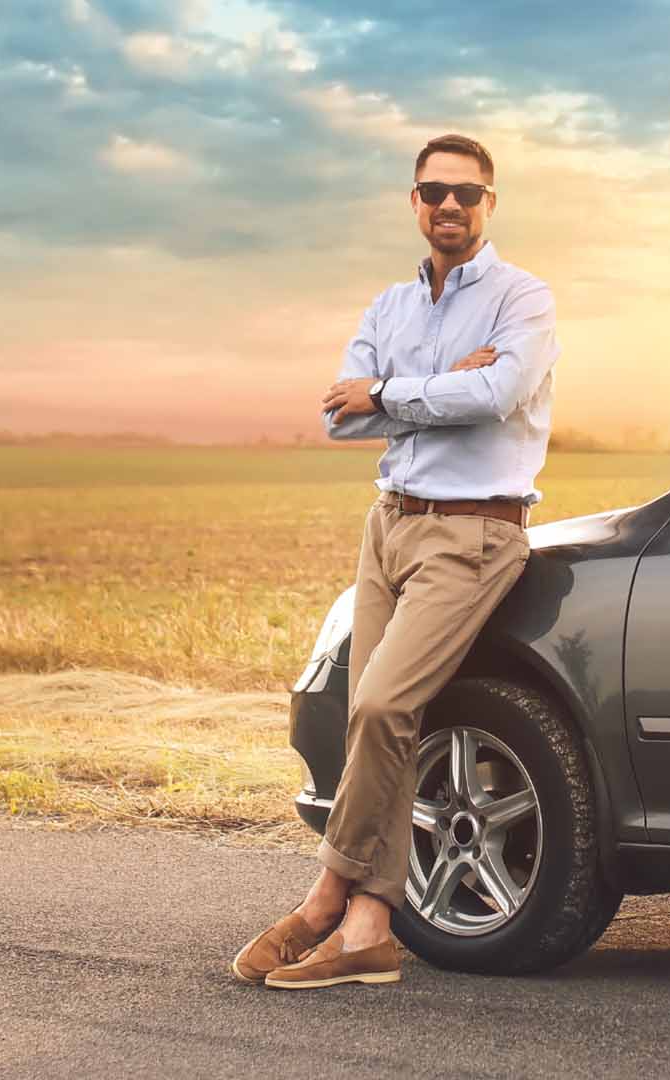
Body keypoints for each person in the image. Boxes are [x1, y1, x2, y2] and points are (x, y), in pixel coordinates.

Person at [231, 133, 560, 990]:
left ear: (491, 203)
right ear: (413, 202)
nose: (448, 205)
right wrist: (439, 388)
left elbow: (497, 396)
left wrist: (390, 393)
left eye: (466, 193)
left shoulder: (524, 299)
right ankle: (372, 928)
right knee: (372, 721)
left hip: (473, 531)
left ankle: (321, 901)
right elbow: (339, 416)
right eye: (432, 191)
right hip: (388, 525)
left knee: (381, 704)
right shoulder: (389, 305)